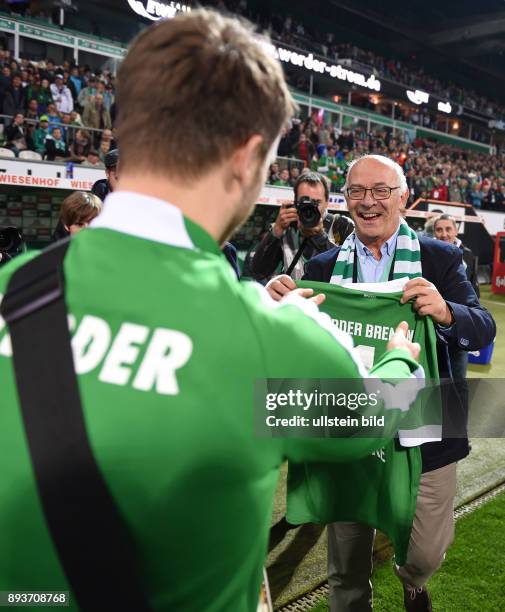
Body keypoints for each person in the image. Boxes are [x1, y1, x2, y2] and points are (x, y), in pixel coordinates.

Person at [0, 12, 423, 612]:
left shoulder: (13, 288)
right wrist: (401, 358)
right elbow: (381, 414)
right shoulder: (269, 338)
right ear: (245, 156)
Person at [266, 154, 495, 612]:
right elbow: (307, 346)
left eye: (380, 191)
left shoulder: (441, 258)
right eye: (356, 192)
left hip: (426, 423)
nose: (368, 202)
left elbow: (483, 328)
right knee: (346, 566)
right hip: (352, 425)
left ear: (404, 198)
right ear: (344, 200)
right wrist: (280, 307)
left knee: (425, 552)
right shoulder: (326, 266)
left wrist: (447, 312)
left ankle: (413, 581)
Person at [251, 171, 336, 281]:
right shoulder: (287, 228)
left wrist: (320, 236)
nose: (310, 208)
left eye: (316, 202)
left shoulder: (341, 225)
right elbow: (259, 272)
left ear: (327, 202)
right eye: (305, 201)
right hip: (294, 297)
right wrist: (276, 230)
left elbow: (345, 269)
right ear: (295, 202)